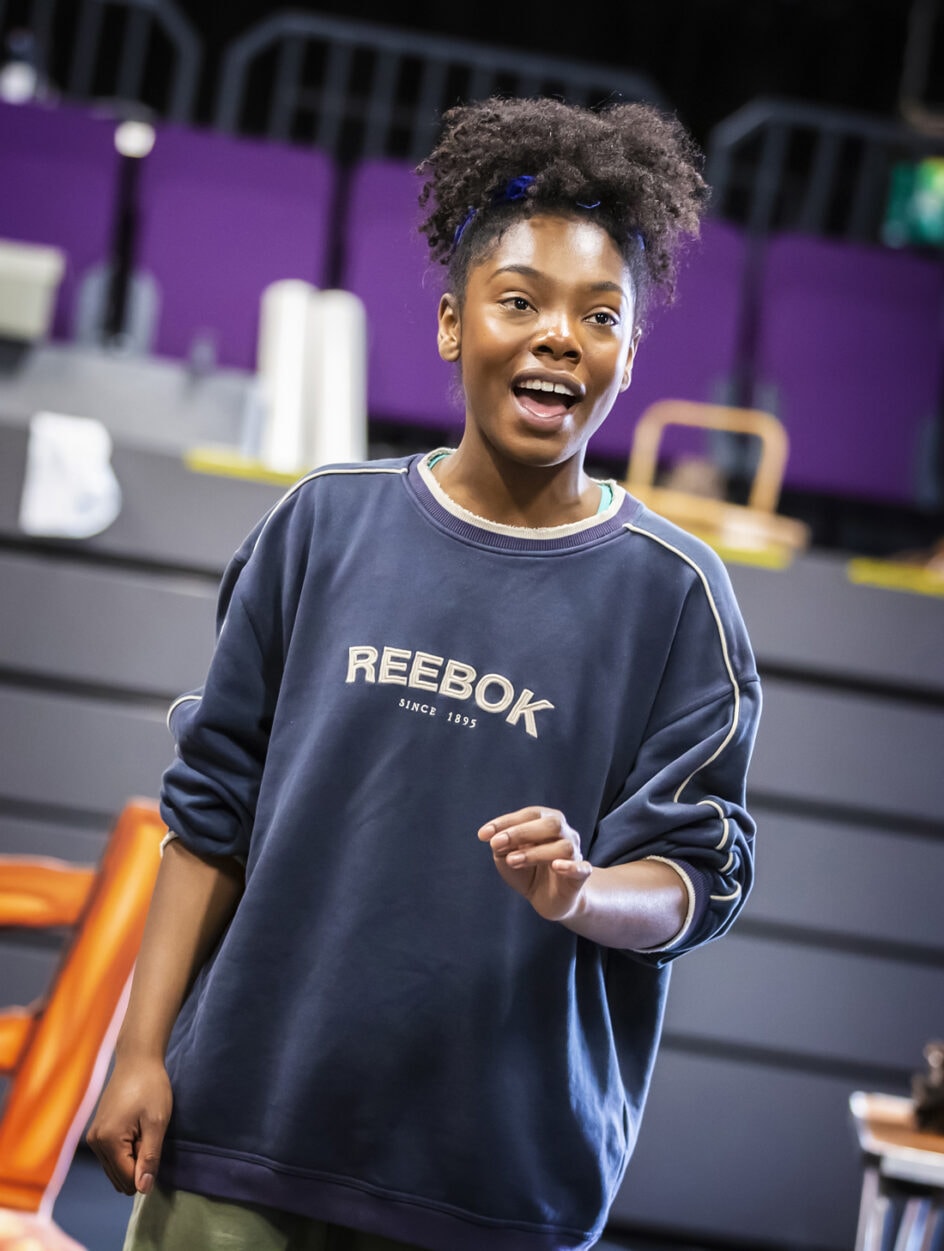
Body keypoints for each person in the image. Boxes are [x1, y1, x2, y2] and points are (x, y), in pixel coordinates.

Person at [88, 96, 761, 1251]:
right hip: (246, 1137)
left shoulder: (675, 595)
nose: (559, 336)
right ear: (453, 325)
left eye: (598, 316)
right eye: (520, 302)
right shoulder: (320, 527)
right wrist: (139, 1051)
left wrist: (580, 891)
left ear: (627, 354)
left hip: (497, 1186)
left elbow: (694, 880)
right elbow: (210, 815)